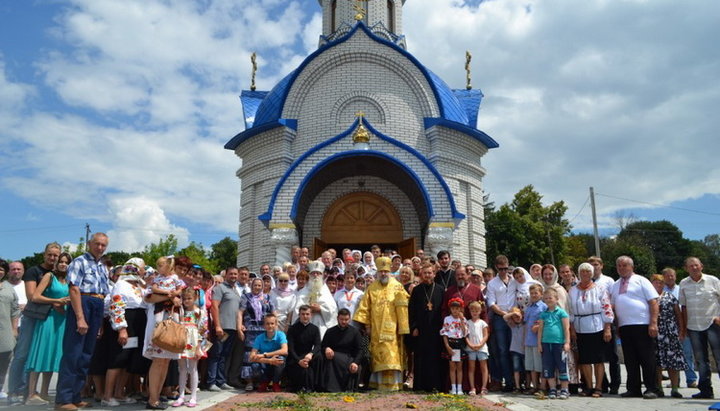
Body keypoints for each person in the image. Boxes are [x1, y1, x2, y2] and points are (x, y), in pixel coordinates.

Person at [54, 233, 110, 411]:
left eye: (103, 245)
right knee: (73, 353)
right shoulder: (79, 261)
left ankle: (76, 396)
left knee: (86, 355)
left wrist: (99, 322)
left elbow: (103, 293)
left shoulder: (102, 266)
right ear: (89, 244)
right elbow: (74, 289)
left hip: (97, 304)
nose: (100, 248)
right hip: (83, 303)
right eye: (97, 244)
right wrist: (80, 317)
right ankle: (63, 400)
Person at [7, 242, 60, 405]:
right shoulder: (33, 271)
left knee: (41, 356)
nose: (53, 258)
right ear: (44, 254)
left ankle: (35, 392)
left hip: (51, 319)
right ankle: (15, 391)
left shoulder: (58, 273)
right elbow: (32, 296)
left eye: (56, 255)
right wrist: (56, 300)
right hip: (33, 317)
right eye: (50, 254)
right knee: (23, 354)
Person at [353, 256, 410, 391]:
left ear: (390, 271)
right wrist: (366, 326)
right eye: (381, 272)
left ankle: (394, 385)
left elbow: (405, 305)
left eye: (386, 271)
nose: (383, 274)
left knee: (392, 355)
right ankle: (377, 384)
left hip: (393, 328)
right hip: (376, 329)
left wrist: (403, 327)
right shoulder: (371, 288)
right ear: (377, 272)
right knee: (378, 356)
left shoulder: (398, 286)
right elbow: (364, 307)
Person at [24, 252, 71, 405]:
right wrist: (54, 301)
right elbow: (35, 296)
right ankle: (31, 393)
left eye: (66, 262)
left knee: (52, 356)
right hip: (48, 319)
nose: (63, 264)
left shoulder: (69, 280)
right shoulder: (49, 276)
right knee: (40, 353)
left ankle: (44, 392)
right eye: (61, 261)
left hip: (61, 320)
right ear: (56, 263)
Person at [610, 255, 659, 399]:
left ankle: (652, 388)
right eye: (619, 265)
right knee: (630, 360)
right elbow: (613, 306)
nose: (621, 268)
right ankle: (633, 388)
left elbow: (653, 302)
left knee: (647, 358)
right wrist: (617, 325)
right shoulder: (615, 284)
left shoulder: (641, 280)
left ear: (632, 267)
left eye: (625, 265)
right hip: (625, 327)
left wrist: (653, 322)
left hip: (642, 325)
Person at [104, 260, 149, 407]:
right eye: (142, 268)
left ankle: (119, 393)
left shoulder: (139, 285)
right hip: (126, 324)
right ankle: (107, 395)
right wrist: (121, 329)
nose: (144, 271)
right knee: (117, 359)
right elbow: (116, 305)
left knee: (128, 360)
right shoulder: (121, 285)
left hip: (137, 325)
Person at [143, 256, 184, 410]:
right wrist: (170, 295)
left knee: (166, 360)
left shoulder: (175, 279)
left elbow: (181, 293)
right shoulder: (156, 280)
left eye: (162, 265)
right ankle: (152, 399)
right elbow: (148, 297)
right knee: (158, 359)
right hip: (158, 319)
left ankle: (157, 396)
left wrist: (176, 298)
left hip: (172, 319)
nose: (159, 267)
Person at [568, 262, 613, 398]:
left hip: (597, 327)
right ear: (579, 273)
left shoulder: (599, 289)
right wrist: (572, 328)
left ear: (592, 273)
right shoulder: (573, 290)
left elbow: (606, 308)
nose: (585, 274)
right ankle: (588, 387)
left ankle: (599, 387)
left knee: (598, 360)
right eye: (582, 271)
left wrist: (607, 328)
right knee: (584, 360)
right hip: (580, 327)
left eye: (588, 271)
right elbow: (570, 311)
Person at [679, 257, 720, 399]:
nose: (694, 268)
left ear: (701, 266)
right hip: (694, 326)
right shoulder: (683, 283)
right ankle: (705, 391)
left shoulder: (713, 281)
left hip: (713, 324)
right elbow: (683, 307)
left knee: (719, 358)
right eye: (691, 266)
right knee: (701, 361)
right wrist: (684, 328)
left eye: (696, 265)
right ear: (686, 268)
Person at [587, 256, 620, 395]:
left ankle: (615, 384)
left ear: (602, 266)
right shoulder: (584, 282)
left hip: (606, 322)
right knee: (597, 357)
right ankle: (603, 384)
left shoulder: (608, 281)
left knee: (612, 356)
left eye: (596, 264)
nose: (594, 267)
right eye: (591, 265)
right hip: (592, 325)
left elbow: (614, 300)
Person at [408, 263, 444, 392]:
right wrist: (414, 327)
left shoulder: (440, 290)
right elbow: (412, 310)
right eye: (425, 273)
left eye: (430, 273)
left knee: (435, 357)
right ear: (421, 274)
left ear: (434, 274)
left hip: (436, 329)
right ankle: (420, 385)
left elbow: (443, 311)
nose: (428, 275)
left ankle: (435, 385)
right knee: (421, 357)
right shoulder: (417, 290)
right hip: (421, 329)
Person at [649, 274, 685, 399]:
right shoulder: (648, 297)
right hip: (655, 332)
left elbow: (678, 314)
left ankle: (675, 388)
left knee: (672, 362)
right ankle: (659, 388)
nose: (658, 284)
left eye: (661, 282)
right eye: (655, 282)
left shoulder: (670, 296)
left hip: (670, 332)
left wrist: (681, 330)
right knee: (657, 362)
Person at [207, 266, 242, 392]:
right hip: (223, 328)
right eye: (231, 274)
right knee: (216, 354)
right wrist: (217, 325)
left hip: (232, 328)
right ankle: (211, 382)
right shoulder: (219, 288)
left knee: (224, 355)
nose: (233, 276)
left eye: (235, 274)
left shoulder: (235, 290)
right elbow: (214, 307)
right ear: (226, 275)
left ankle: (221, 381)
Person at [661, 267, 696, 389]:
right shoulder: (660, 290)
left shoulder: (681, 289)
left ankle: (691, 379)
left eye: (672, 275)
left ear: (675, 276)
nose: (670, 277)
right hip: (667, 328)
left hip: (682, 324)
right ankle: (675, 382)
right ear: (664, 277)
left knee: (687, 353)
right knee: (672, 356)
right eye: (668, 275)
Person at [173, 288, 209, 408]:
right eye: (185, 298)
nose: (187, 301)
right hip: (182, 341)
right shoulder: (181, 311)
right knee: (182, 368)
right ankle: (181, 395)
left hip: (194, 343)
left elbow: (203, 330)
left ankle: (193, 396)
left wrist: (199, 347)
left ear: (195, 299)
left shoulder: (200, 312)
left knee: (193, 369)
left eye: (189, 298)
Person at [238, 278, 274, 391]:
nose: (257, 287)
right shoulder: (246, 297)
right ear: (251, 285)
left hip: (264, 330)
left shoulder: (267, 297)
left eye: (259, 285)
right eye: (255, 285)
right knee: (250, 354)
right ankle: (249, 381)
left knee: (263, 354)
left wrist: (275, 328)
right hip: (251, 330)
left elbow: (273, 312)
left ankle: (260, 380)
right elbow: (240, 312)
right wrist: (239, 326)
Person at [485, 255, 515, 391]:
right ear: (496, 267)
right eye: (501, 269)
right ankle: (507, 381)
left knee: (514, 350)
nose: (504, 271)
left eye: (506, 268)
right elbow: (491, 303)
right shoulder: (492, 283)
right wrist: (505, 314)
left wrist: (514, 314)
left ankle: (516, 380)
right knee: (502, 350)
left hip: (515, 317)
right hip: (500, 318)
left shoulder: (514, 280)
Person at [537, 287, 571, 400]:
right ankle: (552, 389)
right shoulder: (543, 314)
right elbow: (540, 330)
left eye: (550, 298)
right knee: (548, 367)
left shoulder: (561, 312)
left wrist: (567, 342)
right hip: (546, 344)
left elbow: (566, 328)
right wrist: (539, 343)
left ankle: (564, 389)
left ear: (556, 299)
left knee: (562, 366)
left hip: (559, 344)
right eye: (545, 298)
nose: (548, 300)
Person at [320, 308, 362, 392]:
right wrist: (327, 348)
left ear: (349, 319)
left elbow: (360, 350)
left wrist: (355, 362)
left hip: (349, 358)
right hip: (333, 356)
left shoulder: (355, 332)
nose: (344, 322)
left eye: (346, 319)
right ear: (337, 318)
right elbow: (323, 346)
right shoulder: (330, 331)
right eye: (341, 319)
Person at [293, 261, 338, 339]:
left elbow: (333, 309)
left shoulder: (325, 290)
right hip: (306, 323)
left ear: (322, 275)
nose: (315, 275)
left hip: (321, 323)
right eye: (313, 273)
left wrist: (320, 309)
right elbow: (297, 308)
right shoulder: (304, 291)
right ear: (309, 275)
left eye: (318, 273)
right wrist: (308, 309)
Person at [285, 305, 321, 392]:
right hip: (295, 356)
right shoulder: (292, 329)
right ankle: (301, 387)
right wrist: (299, 360)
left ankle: (315, 387)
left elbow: (318, 345)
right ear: (299, 315)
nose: (305, 316)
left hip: (308, 356)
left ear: (311, 315)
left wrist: (311, 354)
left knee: (319, 358)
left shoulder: (315, 329)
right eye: (303, 314)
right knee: (302, 368)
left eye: (307, 314)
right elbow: (291, 348)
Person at [249, 314, 287, 392]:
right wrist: (269, 361)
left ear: (276, 325)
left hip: (275, 361)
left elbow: (284, 351)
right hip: (265, 362)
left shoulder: (281, 335)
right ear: (264, 325)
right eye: (267, 323)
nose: (270, 326)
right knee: (254, 364)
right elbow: (251, 357)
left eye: (272, 323)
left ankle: (275, 383)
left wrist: (265, 355)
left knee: (280, 359)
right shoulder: (259, 338)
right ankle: (264, 382)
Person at [0, 260, 20, 404]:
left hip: (5, 331)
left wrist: (14, 330)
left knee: (5, 360)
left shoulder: (8, 288)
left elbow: (15, 311)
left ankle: (0, 388)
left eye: (2, 269)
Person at [522, 283, 546, 395]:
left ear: (541, 294)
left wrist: (539, 326)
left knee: (539, 365)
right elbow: (526, 324)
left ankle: (542, 387)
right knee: (531, 365)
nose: (534, 295)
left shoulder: (543, 307)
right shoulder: (529, 308)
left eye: (536, 293)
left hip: (538, 341)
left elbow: (546, 322)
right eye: (532, 293)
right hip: (529, 340)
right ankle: (534, 386)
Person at [441, 298, 468, 395]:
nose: (455, 311)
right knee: (452, 366)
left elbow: (465, 333)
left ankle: (459, 388)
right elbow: (444, 333)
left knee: (459, 366)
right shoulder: (447, 319)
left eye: (457, 309)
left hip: (459, 343)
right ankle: (453, 387)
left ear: (460, 309)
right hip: (451, 343)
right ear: (450, 309)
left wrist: (461, 320)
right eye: (453, 309)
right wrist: (447, 346)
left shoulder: (463, 319)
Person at [465, 301, 489, 396]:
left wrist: (480, 344)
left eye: (477, 311)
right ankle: (472, 387)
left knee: (483, 367)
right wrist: (470, 344)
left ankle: (484, 387)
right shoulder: (467, 322)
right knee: (471, 368)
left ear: (480, 311)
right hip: (471, 348)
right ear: (470, 311)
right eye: (473, 311)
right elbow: (465, 335)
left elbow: (486, 335)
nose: (474, 313)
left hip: (481, 348)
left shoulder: (483, 323)